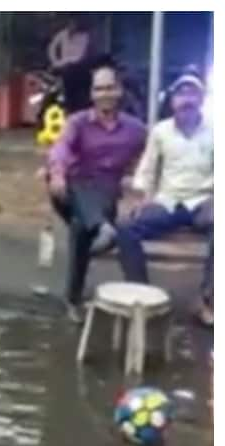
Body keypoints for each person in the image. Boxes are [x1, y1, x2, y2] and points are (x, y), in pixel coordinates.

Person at [46, 61, 147, 322]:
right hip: (70, 193)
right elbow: (60, 150)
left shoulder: (135, 129)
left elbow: (151, 161)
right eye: (99, 89)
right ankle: (102, 227)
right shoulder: (78, 123)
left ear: (119, 91)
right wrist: (57, 173)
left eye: (109, 88)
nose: (104, 94)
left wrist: (137, 187)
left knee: (81, 229)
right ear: (92, 94)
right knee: (75, 183)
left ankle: (72, 299)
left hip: (107, 196)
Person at [115, 73, 214, 326]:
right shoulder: (161, 131)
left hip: (203, 200)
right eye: (182, 94)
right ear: (173, 101)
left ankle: (208, 300)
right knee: (127, 227)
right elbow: (147, 169)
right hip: (168, 201)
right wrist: (141, 197)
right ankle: (141, 296)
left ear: (201, 99)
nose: (187, 100)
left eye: (192, 94)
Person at [47, 15, 92, 113]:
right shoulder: (62, 34)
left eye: (74, 24)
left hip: (77, 67)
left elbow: (79, 55)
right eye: (70, 24)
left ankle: (75, 105)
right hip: (63, 67)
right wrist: (55, 62)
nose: (72, 26)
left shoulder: (84, 37)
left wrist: (63, 62)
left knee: (74, 75)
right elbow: (52, 47)